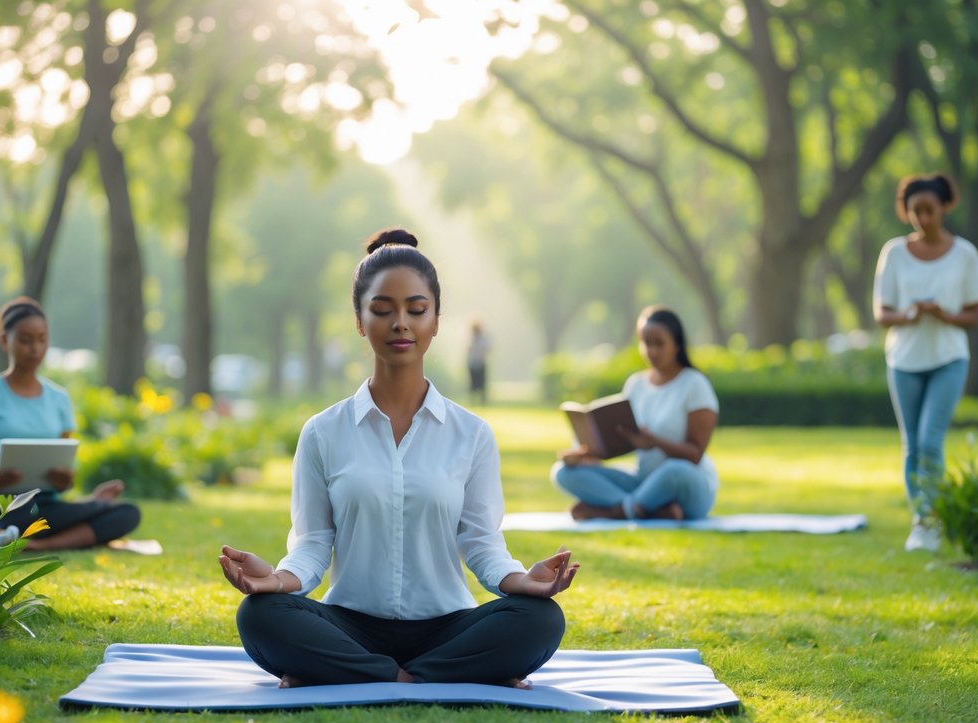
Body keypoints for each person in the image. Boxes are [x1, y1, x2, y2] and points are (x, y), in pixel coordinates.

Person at [220, 228, 577, 689]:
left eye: (416, 309)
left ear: (436, 319)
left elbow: (481, 541)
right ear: (359, 320)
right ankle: (430, 676)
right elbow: (312, 544)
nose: (401, 324)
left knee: (540, 620)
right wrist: (277, 579)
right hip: (348, 625)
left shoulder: (471, 434)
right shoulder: (322, 433)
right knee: (260, 615)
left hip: (448, 627)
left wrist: (520, 581)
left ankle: (363, 675)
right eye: (383, 310)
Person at [0, 296, 141, 551]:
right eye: (25, 340)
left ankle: (33, 544)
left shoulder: (58, 399)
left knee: (127, 513)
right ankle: (82, 510)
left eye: (42, 339)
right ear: (4, 340)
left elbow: (65, 468)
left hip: (43, 504)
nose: (35, 349)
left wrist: (64, 480)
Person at [872, 173, 978, 553]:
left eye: (928, 210)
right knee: (911, 446)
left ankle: (932, 518)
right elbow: (881, 312)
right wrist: (909, 314)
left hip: (948, 359)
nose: (922, 218)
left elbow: (973, 315)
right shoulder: (894, 252)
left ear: (944, 208)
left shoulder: (965, 255)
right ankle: (920, 520)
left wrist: (943, 314)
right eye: (914, 211)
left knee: (930, 442)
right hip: (904, 361)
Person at [551, 306, 719, 522]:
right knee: (563, 472)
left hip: (687, 485)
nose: (652, 351)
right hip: (643, 481)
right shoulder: (636, 385)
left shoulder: (695, 384)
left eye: (659, 343)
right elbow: (622, 441)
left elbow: (695, 455)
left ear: (677, 344)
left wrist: (655, 442)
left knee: (676, 470)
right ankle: (647, 508)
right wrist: (585, 454)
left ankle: (615, 511)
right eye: (646, 343)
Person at [466, 319, 491, 405]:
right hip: (473, 363)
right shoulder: (471, 337)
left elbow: (487, 348)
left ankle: (482, 401)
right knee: (473, 382)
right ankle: (473, 400)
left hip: (480, 362)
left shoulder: (483, 338)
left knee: (482, 382)